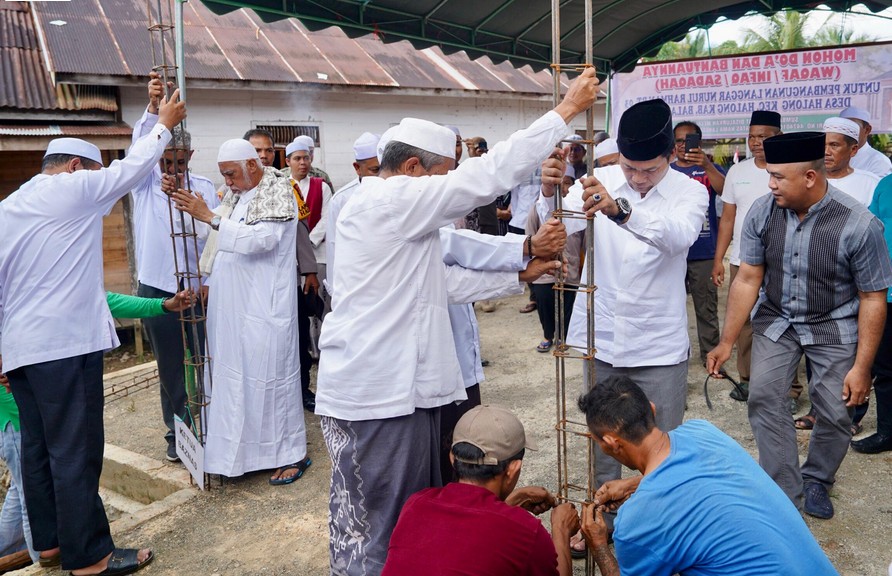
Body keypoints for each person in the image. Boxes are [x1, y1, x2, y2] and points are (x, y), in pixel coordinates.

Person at [316, 67, 599, 575]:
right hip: (378, 396)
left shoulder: (399, 216)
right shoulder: (386, 199)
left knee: (408, 519)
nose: (450, 186)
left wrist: (523, 270)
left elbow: (442, 286)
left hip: (400, 394)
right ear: (411, 169)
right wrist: (565, 112)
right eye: (444, 172)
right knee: (379, 528)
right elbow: (485, 176)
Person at [0, 90, 185, 575]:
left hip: (21, 350)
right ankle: (91, 559)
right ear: (78, 169)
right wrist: (162, 124)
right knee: (75, 451)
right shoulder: (71, 189)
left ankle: (53, 543)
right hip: (64, 345)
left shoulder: (9, 208)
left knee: (38, 450)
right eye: (95, 174)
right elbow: (130, 170)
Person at [707, 131, 892, 519]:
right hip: (778, 320)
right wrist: (726, 341)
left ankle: (817, 480)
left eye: (778, 177)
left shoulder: (859, 224)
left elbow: (872, 298)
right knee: (763, 398)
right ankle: (783, 490)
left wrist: (862, 368)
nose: (770, 184)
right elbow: (747, 278)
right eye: (769, 175)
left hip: (834, 325)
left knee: (837, 411)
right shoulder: (762, 210)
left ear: (810, 177)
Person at [538, 98, 707, 494]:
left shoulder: (690, 191)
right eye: (630, 167)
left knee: (661, 442)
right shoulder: (603, 178)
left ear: (671, 155)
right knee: (603, 437)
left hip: (658, 343)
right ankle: (603, 517)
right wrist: (548, 192)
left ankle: (659, 519)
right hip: (604, 335)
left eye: (649, 170)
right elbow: (559, 224)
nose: (638, 178)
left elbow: (677, 236)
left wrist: (622, 211)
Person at [0, 290, 193, 571]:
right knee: (33, 493)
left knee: (21, 493)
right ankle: (46, 558)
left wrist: (161, 305)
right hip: (16, 414)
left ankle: (41, 553)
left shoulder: (54, 284)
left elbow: (105, 299)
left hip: (31, 405)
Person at [575, 376, 838, 576]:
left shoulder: (636, 523)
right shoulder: (702, 432)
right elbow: (699, 474)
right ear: (652, 410)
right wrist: (634, 485)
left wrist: (598, 544)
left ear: (611, 442)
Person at [171, 139, 311, 485]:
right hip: (232, 310)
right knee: (234, 382)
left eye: (231, 174)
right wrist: (199, 213)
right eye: (224, 175)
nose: (228, 182)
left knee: (272, 381)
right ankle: (243, 456)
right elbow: (217, 235)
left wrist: (209, 217)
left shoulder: (279, 188)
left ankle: (291, 454)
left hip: (264, 309)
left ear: (252, 166)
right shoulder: (237, 195)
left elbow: (261, 240)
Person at [131, 73, 220, 462]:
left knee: (205, 358)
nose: (172, 168)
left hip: (198, 290)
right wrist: (154, 111)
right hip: (157, 289)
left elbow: (213, 240)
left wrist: (207, 281)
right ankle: (178, 433)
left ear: (190, 157)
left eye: (179, 161)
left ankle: (212, 424)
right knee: (171, 365)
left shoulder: (200, 185)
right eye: (166, 160)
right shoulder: (144, 182)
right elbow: (140, 149)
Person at [382, 405, 580, 576]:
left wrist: (511, 501)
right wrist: (561, 530)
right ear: (513, 469)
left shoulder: (416, 504)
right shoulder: (527, 532)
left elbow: (463, 539)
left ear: (453, 458)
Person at [243, 129, 319, 411]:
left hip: (286, 279)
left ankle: (302, 390)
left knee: (297, 336)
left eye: (267, 151)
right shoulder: (231, 191)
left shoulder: (287, 187)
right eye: (256, 151)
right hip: (251, 283)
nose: (262, 156)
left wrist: (309, 270)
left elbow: (301, 230)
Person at [711, 110, 782, 402]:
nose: (755, 142)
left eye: (763, 137)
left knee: (779, 322)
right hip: (742, 258)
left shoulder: (786, 168)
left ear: (777, 137)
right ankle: (747, 380)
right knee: (742, 322)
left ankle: (786, 388)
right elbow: (727, 219)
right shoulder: (738, 172)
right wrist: (719, 259)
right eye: (752, 136)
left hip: (779, 260)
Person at [671, 121, 726, 367]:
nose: (684, 145)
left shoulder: (710, 169)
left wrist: (706, 165)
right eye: (679, 141)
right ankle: (674, 357)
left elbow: (725, 190)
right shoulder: (666, 172)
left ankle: (710, 356)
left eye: (689, 140)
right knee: (670, 309)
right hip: (672, 252)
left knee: (706, 308)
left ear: (699, 142)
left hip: (703, 251)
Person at [852, 173, 892, 454]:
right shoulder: (886, 184)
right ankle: (887, 432)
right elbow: (870, 225)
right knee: (886, 368)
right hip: (885, 290)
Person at [822, 117, 879, 206]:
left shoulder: (871, 183)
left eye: (834, 145)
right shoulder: (808, 180)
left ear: (853, 150)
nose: (826, 152)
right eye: (823, 145)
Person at [839, 105, 892, 178]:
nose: (847, 132)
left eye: (853, 127)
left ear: (867, 130)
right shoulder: (831, 157)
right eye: (843, 128)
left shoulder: (879, 161)